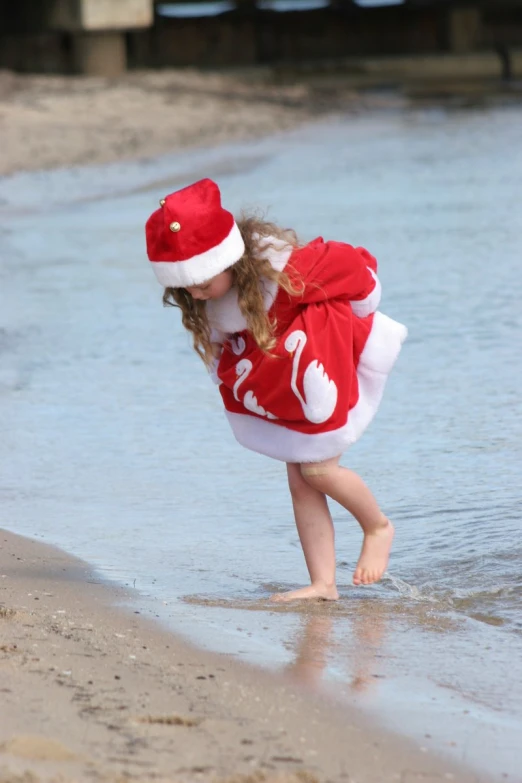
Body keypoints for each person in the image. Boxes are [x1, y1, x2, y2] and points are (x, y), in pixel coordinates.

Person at [145, 178, 407, 603]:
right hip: (286, 380)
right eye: (185, 288)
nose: (193, 294)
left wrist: (360, 314)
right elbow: (219, 342)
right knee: (300, 480)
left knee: (319, 471)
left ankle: (377, 526)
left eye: (201, 284)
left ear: (229, 260)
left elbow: (352, 267)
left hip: (322, 363)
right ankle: (324, 584)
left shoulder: (288, 271)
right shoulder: (210, 295)